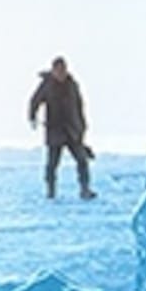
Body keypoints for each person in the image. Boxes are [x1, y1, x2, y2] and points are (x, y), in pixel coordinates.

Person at [26, 56, 93, 200]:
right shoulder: (47, 85)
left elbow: (79, 106)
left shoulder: (72, 84)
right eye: (58, 70)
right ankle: (51, 191)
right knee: (52, 164)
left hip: (72, 130)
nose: (61, 73)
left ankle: (85, 189)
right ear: (53, 70)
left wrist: (82, 126)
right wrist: (32, 117)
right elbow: (35, 101)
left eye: (63, 69)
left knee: (82, 160)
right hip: (55, 131)